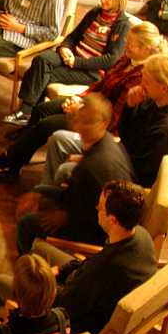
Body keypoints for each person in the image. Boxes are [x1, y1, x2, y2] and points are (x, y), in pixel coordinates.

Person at [0, 21, 168, 183]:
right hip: (92, 104)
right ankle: (18, 157)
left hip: (101, 123)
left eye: (131, 43)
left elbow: (115, 119)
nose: (126, 45)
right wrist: (80, 98)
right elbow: (101, 83)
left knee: (46, 125)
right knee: (42, 110)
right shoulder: (126, 60)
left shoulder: (141, 77)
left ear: (146, 49)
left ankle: (10, 163)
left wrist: (81, 110)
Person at [0, 0, 130, 124]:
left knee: (42, 75)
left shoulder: (122, 25)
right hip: (72, 56)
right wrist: (64, 47)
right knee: (41, 60)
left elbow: (111, 59)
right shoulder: (95, 13)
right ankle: (28, 115)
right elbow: (72, 36)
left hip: (91, 71)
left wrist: (77, 62)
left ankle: (27, 113)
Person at [14, 93, 135, 254]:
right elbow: (78, 194)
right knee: (40, 192)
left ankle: (29, 266)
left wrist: (66, 216)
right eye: (81, 120)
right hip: (85, 209)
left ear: (104, 123)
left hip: (100, 230)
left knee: (27, 224)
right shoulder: (104, 142)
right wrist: (38, 194)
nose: (82, 126)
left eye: (89, 122)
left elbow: (103, 213)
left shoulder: (95, 165)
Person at [35, 181, 159, 334]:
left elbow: (65, 303)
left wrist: (44, 280)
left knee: (12, 281)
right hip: (88, 289)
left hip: (77, 324)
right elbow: (91, 265)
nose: (96, 209)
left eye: (100, 207)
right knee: (39, 248)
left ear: (113, 220)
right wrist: (61, 270)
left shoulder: (104, 268)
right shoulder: (142, 235)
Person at [116, 53, 168, 188]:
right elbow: (125, 135)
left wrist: (109, 157)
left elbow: (144, 173)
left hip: (133, 184)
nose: (141, 85)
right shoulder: (152, 103)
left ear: (164, 88)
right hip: (125, 161)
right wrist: (130, 106)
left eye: (147, 82)